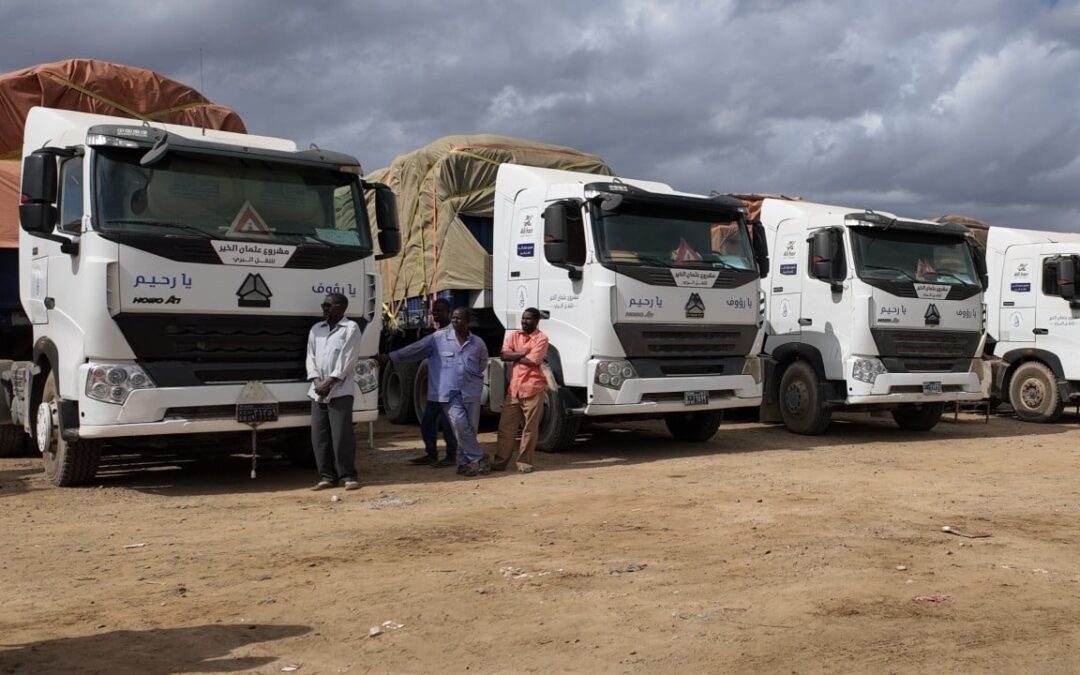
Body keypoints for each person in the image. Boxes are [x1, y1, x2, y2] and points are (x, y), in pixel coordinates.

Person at [386, 307, 489, 477]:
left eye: (459, 318)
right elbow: (416, 349)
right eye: (453, 318)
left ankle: (463, 464)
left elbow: (482, 363)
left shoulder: (477, 343)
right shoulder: (438, 338)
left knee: (469, 429)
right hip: (449, 393)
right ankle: (479, 456)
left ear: (468, 320)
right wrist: (393, 356)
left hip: (471, 392)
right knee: (459, 425)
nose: (455, 321)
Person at [306, 293, 363, 491]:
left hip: (340, 390)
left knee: (342, 436)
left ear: (341, 307)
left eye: (328, 305)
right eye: (324, 304)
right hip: (317, 390)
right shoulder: (316, 329)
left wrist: (329, 382)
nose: (324, 308)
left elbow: (348, 359)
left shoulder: (350, 328)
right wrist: (316, 381)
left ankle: (348, 476)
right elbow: (310, 357)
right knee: (319, 436)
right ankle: (326, 477)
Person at [491, 307, 549, 473]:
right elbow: (503, 356)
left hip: (533, 388)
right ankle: (500, 462)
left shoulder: (542, 338)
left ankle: (524, 463)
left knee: (530, 429)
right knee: (505, 428)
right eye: (523, 318)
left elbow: (532, 361)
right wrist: (521, 353)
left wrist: (514, 355)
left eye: (529, 319)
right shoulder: (514, 335)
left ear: (536, 321)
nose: (524, 321)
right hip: (514, 390)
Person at [409, 298, 458, 468]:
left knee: (447, 424)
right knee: (428, 422)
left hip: (449, 388)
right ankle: (431, 454)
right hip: (436, 388)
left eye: (439, 311)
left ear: (448, 313)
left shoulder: (454, 334)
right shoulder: (437, 334)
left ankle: (451, 456)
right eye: (434, 311)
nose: (435, 314)